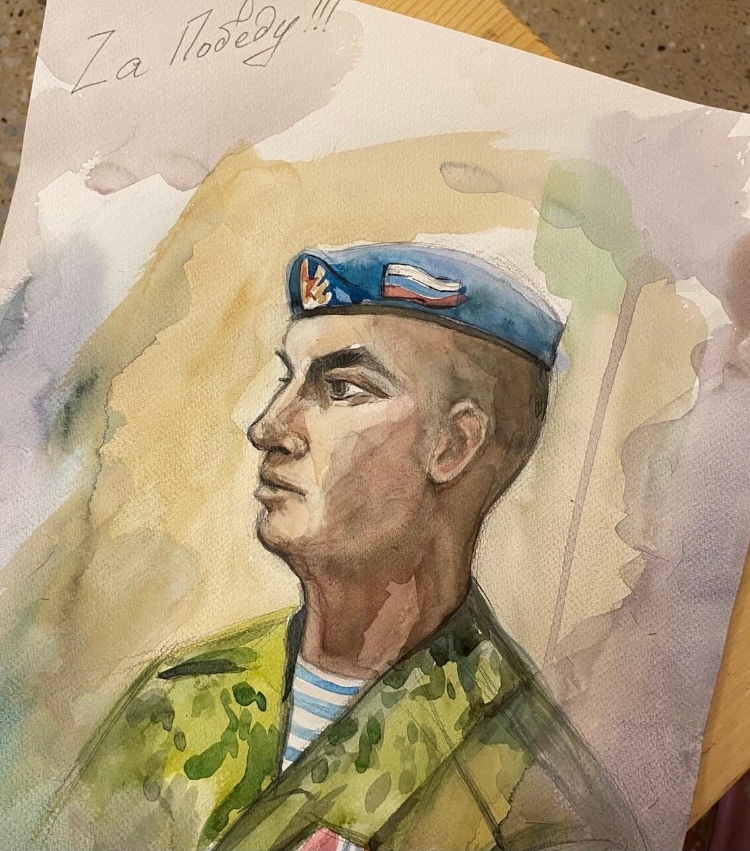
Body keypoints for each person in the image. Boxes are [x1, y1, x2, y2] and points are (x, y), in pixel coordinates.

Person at [41, 244, 645, 851]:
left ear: (453, 446)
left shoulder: (530, 805)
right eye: (287, 379)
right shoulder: (172, 703)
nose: (269, 427)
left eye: (342, 388)